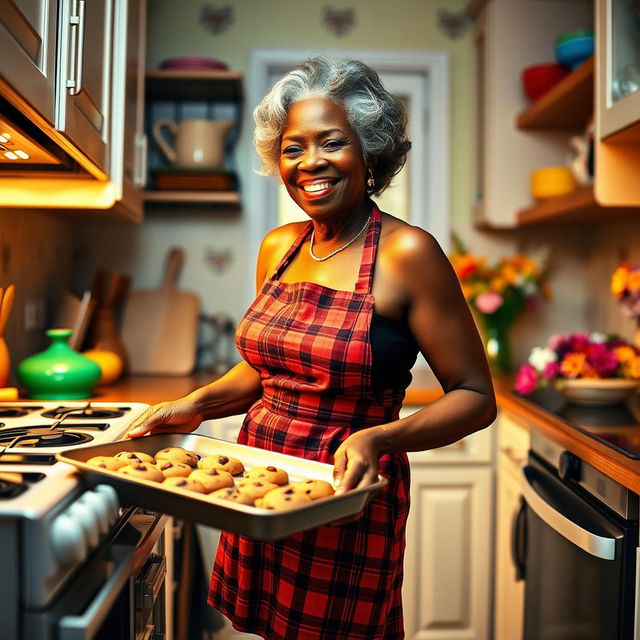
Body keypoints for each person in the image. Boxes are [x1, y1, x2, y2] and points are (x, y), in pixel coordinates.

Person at [127, 57, 496, 640]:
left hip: (345, 497)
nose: (311, 163)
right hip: (260, 482)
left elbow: (476, 397)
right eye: (293, 148)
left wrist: (380, 437)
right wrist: (197, 404)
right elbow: (265, 369)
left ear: (369, 153)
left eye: (332, 142)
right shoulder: (278, 247)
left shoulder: (408, 255)